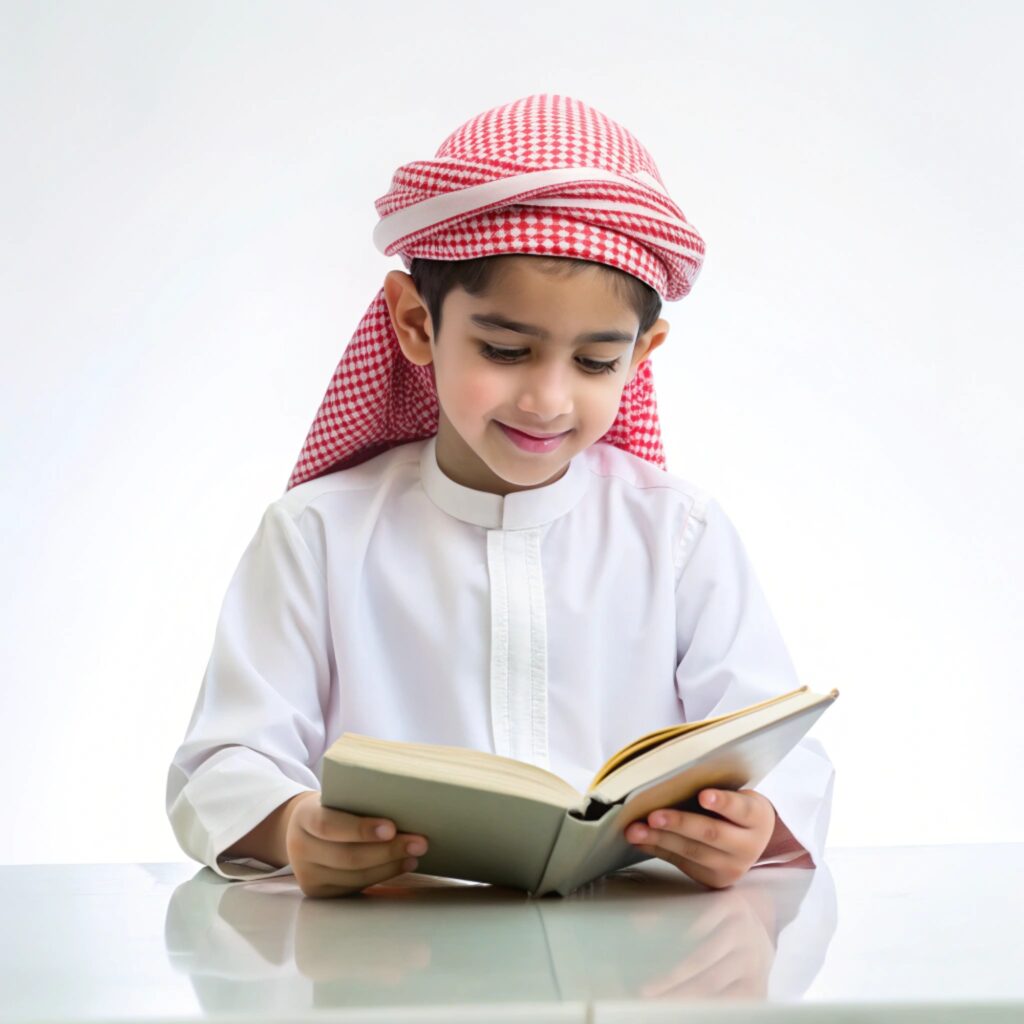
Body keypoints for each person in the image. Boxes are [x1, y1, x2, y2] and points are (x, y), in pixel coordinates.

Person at [166, 93, 835, 899]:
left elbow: (782, 750)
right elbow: (221, 762)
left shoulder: (679, 535)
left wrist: (750, 823)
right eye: (506, 349)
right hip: (389, 963)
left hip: (629, 968)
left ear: (644, 352)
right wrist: (290, 826)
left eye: (595, 363)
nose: (547, 399)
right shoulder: (317, 534)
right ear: (416, 323)